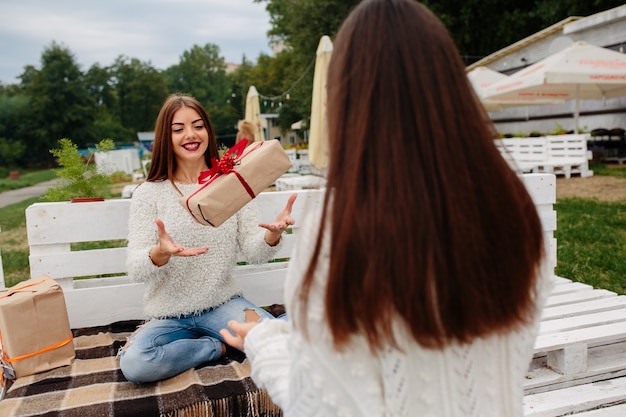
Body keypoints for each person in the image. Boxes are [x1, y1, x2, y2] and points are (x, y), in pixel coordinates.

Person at [220, 0, 553, 415]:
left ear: (345, 102)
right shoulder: (515, 215)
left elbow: (322, 406)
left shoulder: (339, 235)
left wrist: (262, 343)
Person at [119, 93, 296, 384]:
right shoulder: (148, 193)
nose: (190, 134)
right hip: (169, 316)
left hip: (221, 305)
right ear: (167, 136)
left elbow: (254, 252)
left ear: (208, 131)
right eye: (179, 129)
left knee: (282, 344)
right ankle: (218, 346)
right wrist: (160, 253)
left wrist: (271, 235)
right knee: (137, 364)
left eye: (198, 126)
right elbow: (135, 268)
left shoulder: (233, 183)